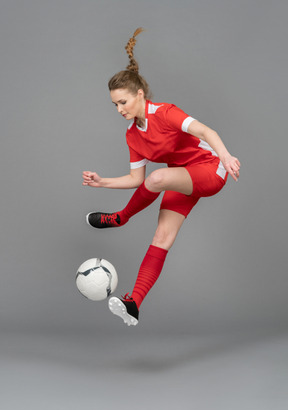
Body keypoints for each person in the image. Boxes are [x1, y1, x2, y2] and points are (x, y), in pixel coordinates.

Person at [82, 28, 241, 326]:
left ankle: (120, 218)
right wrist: (102, 182)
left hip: (209, 168)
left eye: (123, 102)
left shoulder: (165, 113)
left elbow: (207, 132)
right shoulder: (132, 135)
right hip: (181, 178)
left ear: (139, 94)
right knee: (161, 237)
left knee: (156, 179)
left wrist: (227, 156)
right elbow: (134, 179)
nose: (119, 109)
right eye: (114, 105)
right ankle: (134, 304)